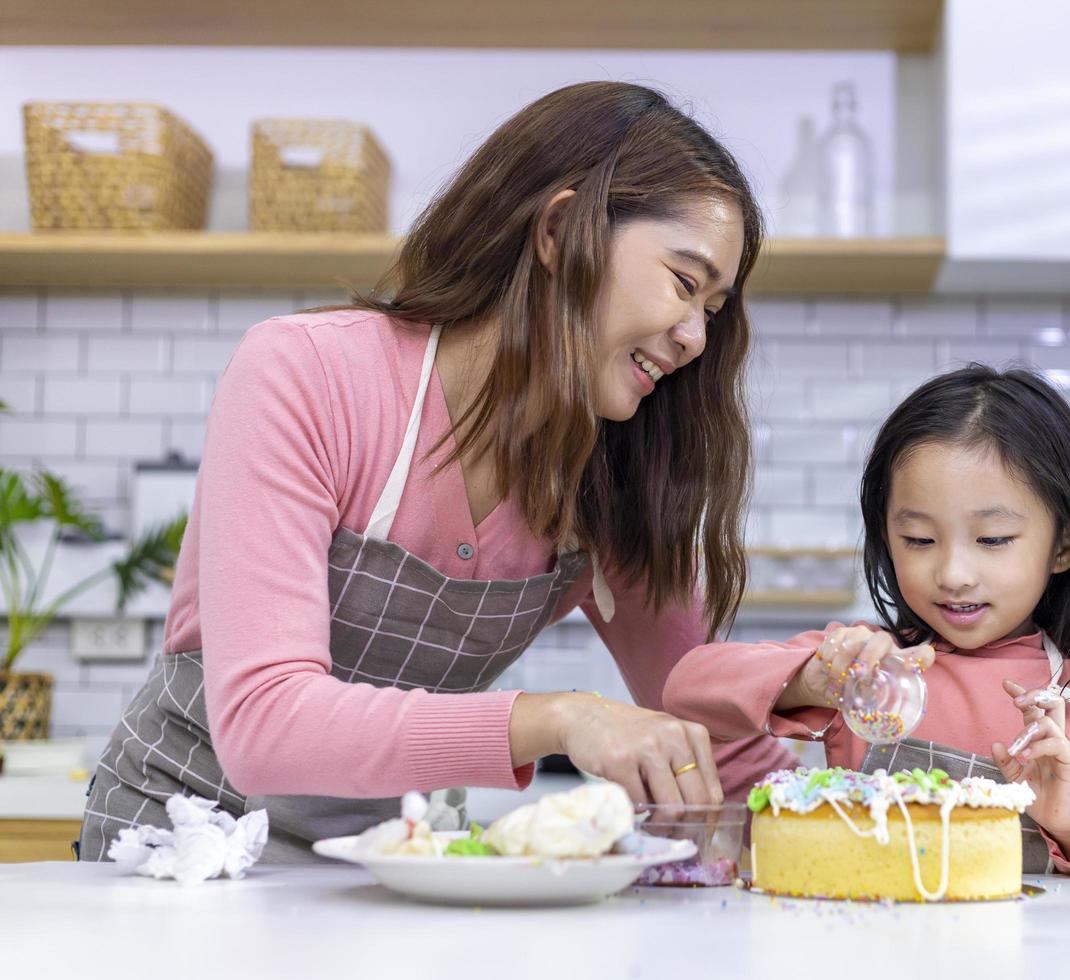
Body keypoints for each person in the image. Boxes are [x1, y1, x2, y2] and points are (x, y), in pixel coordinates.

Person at [80, 81, 794, 862]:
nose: (694, 336)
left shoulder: (610, 472)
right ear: (559, 229)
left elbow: (709, 725)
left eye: (714, 311)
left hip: (373, 868)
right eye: (685, 284)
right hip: (172, 854)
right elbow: (263, 722)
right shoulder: (307, 375)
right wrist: (559, 717)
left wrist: (814, 724)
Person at [665, 364, 1070, 875]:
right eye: (918, 540)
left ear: (1065, 545)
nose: (954, 573)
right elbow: (687, 688)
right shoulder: (871, 669)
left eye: (992, 540)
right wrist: (810, 680)